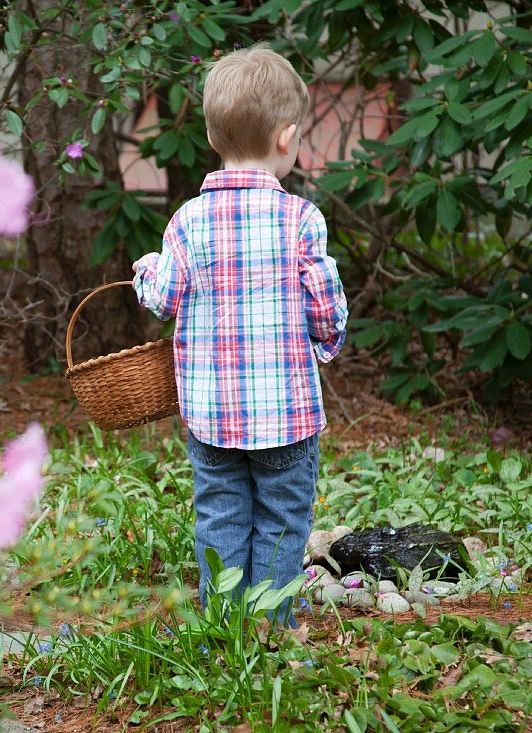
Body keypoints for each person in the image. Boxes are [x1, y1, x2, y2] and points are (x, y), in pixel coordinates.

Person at [132, 43, 347, 625]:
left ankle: (223, 633)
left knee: (220, 515)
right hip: (287, 417)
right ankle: (272, 631)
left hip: (212, 417)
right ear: (286, 138)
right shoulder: (302, 219)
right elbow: (325, 307)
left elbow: (163, 298)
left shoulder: (186, 222)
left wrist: (146, 269)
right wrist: (327, 341)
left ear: (211, 138)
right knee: (281, 519)